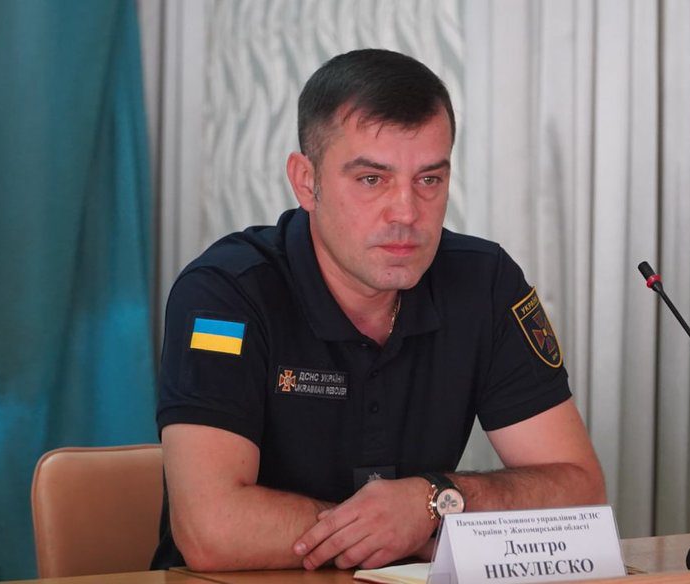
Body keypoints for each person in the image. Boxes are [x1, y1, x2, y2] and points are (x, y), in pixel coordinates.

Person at [151, 48, 605, 573]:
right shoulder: (224, 296)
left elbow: (581, 494)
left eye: (429, 180)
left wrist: (434, 500)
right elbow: (212, 530)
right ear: (306, 182)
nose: (406, 212)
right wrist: (404, 530)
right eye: (372, 179)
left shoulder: (484, 283)